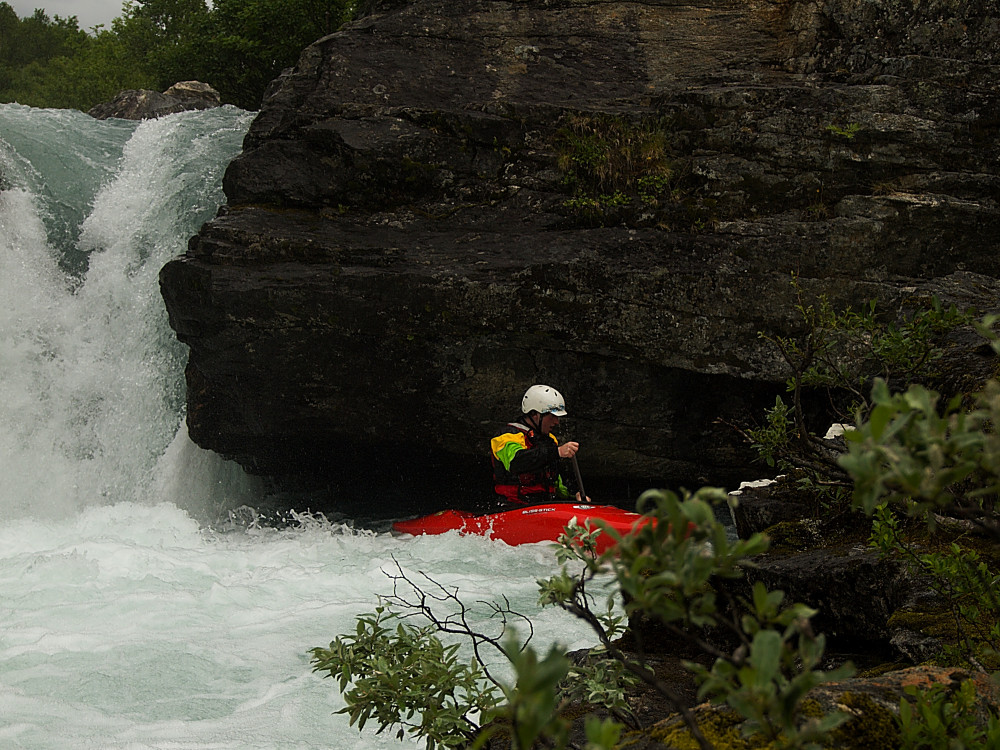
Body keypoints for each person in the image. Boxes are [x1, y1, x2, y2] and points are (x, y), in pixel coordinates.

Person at [490, 384, 588, 506]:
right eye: (552, 416)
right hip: (512, 506)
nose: (556, 422)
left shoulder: (550, 440)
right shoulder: (506, 436)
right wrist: (556, 452)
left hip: (544, 506)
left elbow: (556, 481)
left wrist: (574, 497)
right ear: (534, 414)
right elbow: (516, 462)